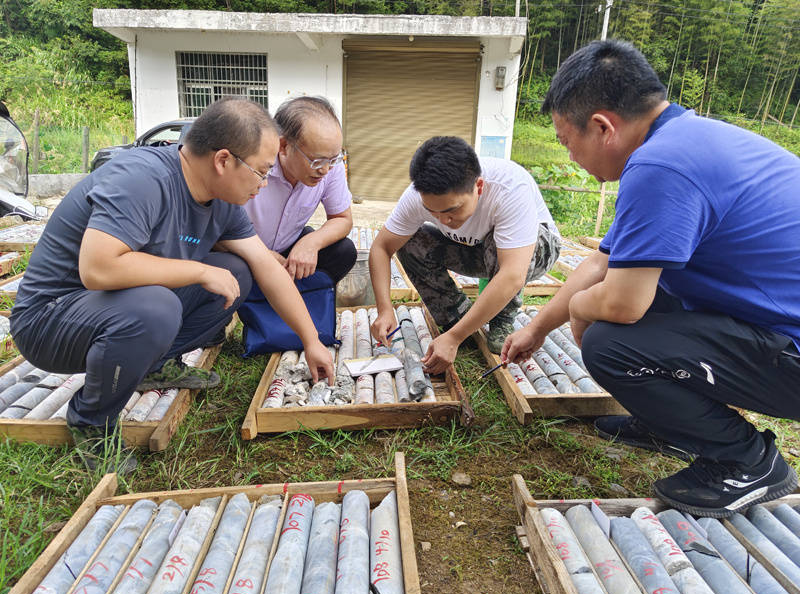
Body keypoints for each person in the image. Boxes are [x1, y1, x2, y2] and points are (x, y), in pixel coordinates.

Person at [502, 39, 800, 517]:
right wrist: (537, 329)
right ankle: (668, 421)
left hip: (792, 354)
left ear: (603, 127)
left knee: (608, 342)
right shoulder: (683, 140)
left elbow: (623, 304)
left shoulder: (661, 165)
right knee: (644, 292)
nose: (571, 156)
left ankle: (747, 462)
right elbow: (602, 264)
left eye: (565, 142)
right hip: (776, 330)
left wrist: (578, 310)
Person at [10, 98, 334, 473]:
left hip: (112, 305)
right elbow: (98, 269)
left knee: (236, 271)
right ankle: (92, 419)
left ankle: (153, 365)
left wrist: (311, 340)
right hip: (50, 320)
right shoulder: (143, 180)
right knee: (158, 308)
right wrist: (197, 272)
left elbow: (266, 266)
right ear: (223, 160)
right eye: (261, 172)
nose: (264, 184)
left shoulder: (222, 201)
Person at [369, 136, 560, 374]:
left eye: (452, 210)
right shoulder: (418, 195)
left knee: (499, 243)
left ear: (478, 187)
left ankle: (502, 319)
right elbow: (381, 247)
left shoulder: (509, 188)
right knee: (411, 242)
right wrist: (384, 309)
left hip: (532, 251)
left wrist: (454, 338)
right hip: (475, 250)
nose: (444, 220)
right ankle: (456, 316)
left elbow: (512, 274)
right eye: (433, 212)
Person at [244, 95, 355, 284]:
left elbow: (343, 219)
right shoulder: (251, 164)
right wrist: (262, 255)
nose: (325, 170)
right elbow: (221, 232)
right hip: (244, 249)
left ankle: (305, 295)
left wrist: (311, 243)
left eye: (333, 159)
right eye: (316, 161)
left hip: (287, 249)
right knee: (234, 267)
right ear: (284, 146)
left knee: (344, 251)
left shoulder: (330, 165)